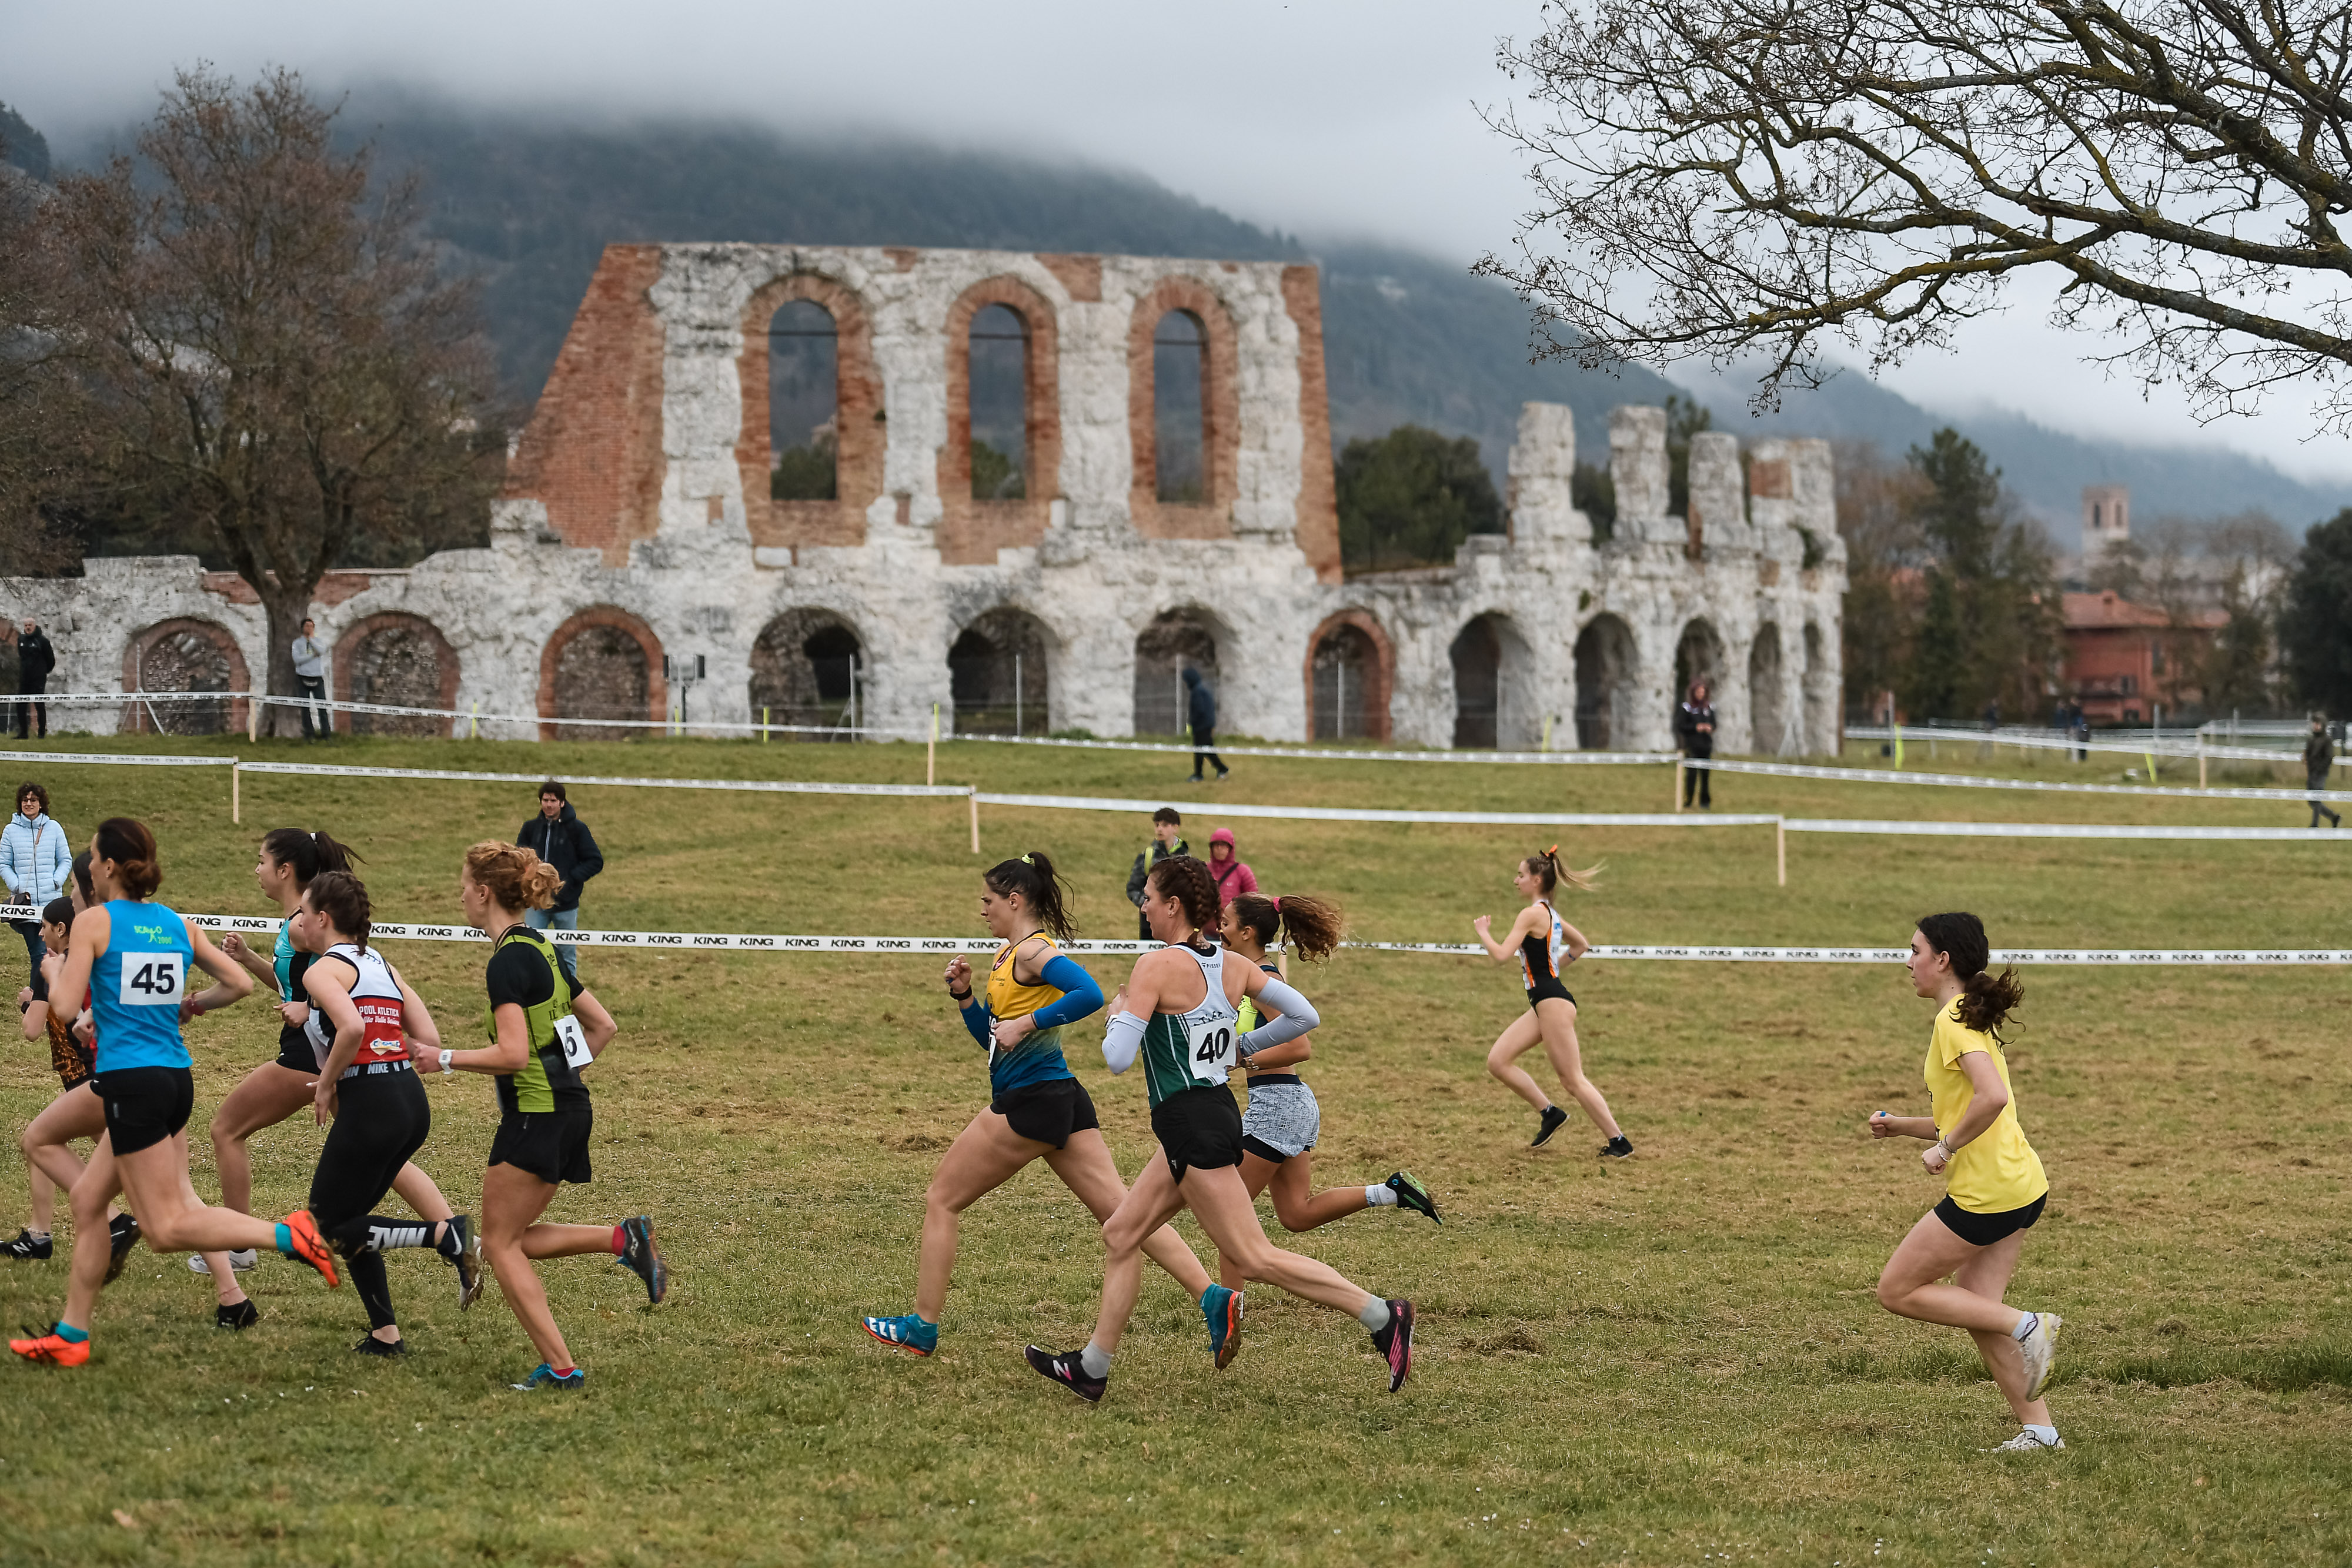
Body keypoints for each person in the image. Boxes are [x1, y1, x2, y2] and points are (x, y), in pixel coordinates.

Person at [1025, 854, 1416, 1403]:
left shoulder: (1155, 967)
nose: (1144, 907)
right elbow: (1305, 1016)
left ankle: (1382, 1315)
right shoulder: (1232, 964)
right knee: (1121, 1233)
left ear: (1174, 906)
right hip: (1211, 1115)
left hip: (1192, 1125)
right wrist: (1241, 1047)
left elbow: (1117, 1058)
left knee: (1253, 1257)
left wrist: (1118, 1012)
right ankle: (1092, 1366)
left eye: (1149, 898)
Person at [861, 851, 1227, 1360]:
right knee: (1123, 1212)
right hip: (1061, 1099)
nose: (983, 909)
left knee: (942, 1198)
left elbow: (1089, 992)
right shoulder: (1008, 955)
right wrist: (966, 998)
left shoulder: (1034, 952)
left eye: (989, 900)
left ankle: (922, 1326)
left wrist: (1028, 1022)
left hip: (1031, 1102)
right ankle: (1214, 1296)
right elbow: (997, 1040)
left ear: (1014, 900)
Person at [9, 818, 342, 1366]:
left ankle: (287, 1234)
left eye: (93, 857)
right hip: (175, 1080)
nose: (90, 868)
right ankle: (71, 1334)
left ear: (109, 867)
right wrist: (189, 1006)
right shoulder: (176, 923)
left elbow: (65, 1008)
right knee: (89, 1200)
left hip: (132, 1083)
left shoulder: (94, 922)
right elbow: (238, 982)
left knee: (165, 1228)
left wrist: (54, 967)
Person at [413, 841, 663, 1391]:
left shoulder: (507, 960)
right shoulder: (542, 947)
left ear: (484, 893)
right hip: (570, 1108)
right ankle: (624, 1239)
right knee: (507, 1239)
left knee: (500, 1245)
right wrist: (562, 1076)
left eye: (463, 887)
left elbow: (513, 1054)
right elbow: (603, 1026)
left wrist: (442, 1058)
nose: (460, 896)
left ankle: (562, 1367)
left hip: (536, 1114)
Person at [198, 828, 464, 1327]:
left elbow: (339, 991)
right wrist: (256, 963)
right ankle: (440, 1250)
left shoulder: (308, 935)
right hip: (371, 1075)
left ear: (287, 873)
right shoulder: (311, 929)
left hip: (324, 1062)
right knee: (375, 1173)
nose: (256, 870)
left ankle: (240, 1243)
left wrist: (314, 1017)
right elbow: (300, 984)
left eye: (261, 860)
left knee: (231, 1132)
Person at [1868, 912, 2064, 1453]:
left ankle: (2031, 1325)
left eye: (1915, 951)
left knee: (1896, 1289)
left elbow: (1992, 1098)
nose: (1908, 962)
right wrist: (1902, 1127)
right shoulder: (1966, 1014)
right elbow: (1966, 1110)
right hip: (2021, 1184)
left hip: (1989, 1194)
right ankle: (2041, 1432)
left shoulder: (1953, 1021)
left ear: (1943, 959)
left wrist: (1945, 1148)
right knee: (1979, 1307)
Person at [1212, 890, 1438, 1293]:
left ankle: (1229, 1309)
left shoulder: (1265, 981)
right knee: (1296, 1214)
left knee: (1229, 1216)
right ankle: (1390, 1192)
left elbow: (1300, 1046)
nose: (1219, 929)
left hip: (1278, 1108)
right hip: (1290, 1103)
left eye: (1226, 923)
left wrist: (1242, 1059)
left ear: (1247, 932)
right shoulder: (1250, 978)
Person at [295, 870, 479, 1355]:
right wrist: (383, 1047)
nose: (298, 922)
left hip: (371, 1103)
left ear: (323, 918)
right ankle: (385, 1335)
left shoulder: (320, 970)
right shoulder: (379, 962)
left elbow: (352, 1027)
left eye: (303, 913)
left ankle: (446, 1234)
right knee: (352, 1219)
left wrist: (327, 1083)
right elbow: (428, 1038)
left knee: (327, 1226)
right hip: (409, 1100)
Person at [5, 858, 141, 1274]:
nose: (40, 933)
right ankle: (43, 1233)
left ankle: (116, 1222)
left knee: (45, 1143)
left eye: (45, 926)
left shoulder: (56, 964)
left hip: (91, 1077)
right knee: (44, 1143)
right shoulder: (95, 954)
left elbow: (33, 1029)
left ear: (61, 929)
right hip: (103, 1072)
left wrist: (30, 1000)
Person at [1473, 846, 1633, 1156]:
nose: (1516, 880)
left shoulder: (1532, 914)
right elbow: (1581, 945)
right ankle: (1550, 1113)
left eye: (1521, 875)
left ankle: (1619, 1142)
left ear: (1536, 881)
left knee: (1572, 1080)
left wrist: (1484, 933)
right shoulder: (1550, 914)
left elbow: (1502, 955)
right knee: (1498, 1061)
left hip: (1552, 1002)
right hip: (1546, 1001)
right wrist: (1551, 971)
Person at [516, 781, 602, 987]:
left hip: (566, 904)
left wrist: (570, 880)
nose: (549, 804)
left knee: (566, 954)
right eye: (545, 800)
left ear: (562, 803)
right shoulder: (530, 828)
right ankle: (533, 991)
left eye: (553, 800)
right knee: (530, 949)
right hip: (536, 903)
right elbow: (519, 858)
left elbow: (595, 861)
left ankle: (571, 995)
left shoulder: (577, 829)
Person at [4, 781, 69, 999]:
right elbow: (4, 864)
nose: (29, 804)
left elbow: (65, 859)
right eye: (25, 800)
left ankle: (52, 997)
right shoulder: (10, 831)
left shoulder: (54, 828)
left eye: (33, 800)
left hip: (51, 904)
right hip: (26, 906)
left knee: (53, 953)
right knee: (39, 954)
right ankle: (36, 1000)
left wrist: (56, 881)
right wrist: (17, 886)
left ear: (41, 803)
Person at [1125, 807, 1187, 942]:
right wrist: (1148, 905)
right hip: (1150, 925)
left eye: (1165, 825)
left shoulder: (1186, 856)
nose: (1159, 829)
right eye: (1157, 825)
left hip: (1178, 924)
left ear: (1175, 828)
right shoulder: (1148, 855)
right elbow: (1133, 888)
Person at [1184, 667, 1228, 782]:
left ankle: (1206, 773)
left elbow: (1200, 710)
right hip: (1206, 725)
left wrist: (1193, 722)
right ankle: (1216, 770)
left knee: (1202, 750)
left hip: (1202, 727)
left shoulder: (1197, 692)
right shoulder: (1202, 690)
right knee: (1206, 750)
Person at [1677, 681, 1716, 808]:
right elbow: (1681, 726)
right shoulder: (1687, 708)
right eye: (1698, 692)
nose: (1701, 694)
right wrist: (1695, 728)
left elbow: (1714, 724)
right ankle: (1688, 801)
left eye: (1703, 692)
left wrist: (1710, 727)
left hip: (1706, 746)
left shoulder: (1709, 708)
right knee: (1691, 775)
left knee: (1705, 776)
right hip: (1692, 746)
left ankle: (1705, 802)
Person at [291, 617, 330, 740]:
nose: (309, 628)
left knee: (322, 706)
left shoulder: (319, 641)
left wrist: (311, 640)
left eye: (311, 626)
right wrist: (312, 656)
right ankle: (309, 734)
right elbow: (297, 660)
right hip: (302, 677)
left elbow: (321, 651)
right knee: (305, 707)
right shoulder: (297, 643)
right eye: (307, 626)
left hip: (317, 677)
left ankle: (326, 734)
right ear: (302, 628)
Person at [14, 620, 53, 741]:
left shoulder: (42, 641)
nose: (28, 628)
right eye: (26, 626)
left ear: (34, 626)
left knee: (39, 705)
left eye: (30, 625)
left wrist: (42, 672)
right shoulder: (21, 639)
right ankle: (23, 733)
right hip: (25, 678)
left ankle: (41, 733)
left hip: (38, 679)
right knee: (20, 704)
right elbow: (21, 656)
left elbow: (51, 660)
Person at [1205, 827, 1257, 906]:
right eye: (1216, 845)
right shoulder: (1204, 870)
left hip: (1233, 913)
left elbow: (1253, 900)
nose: (1219, 849)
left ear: (1230, 848)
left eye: (1223, 845)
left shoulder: (1243, 872)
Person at [2304, 714, 2339, 830]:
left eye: (2318, 723)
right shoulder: (2311, 739)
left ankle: (2315, 824)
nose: (2316, 725)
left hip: (2321, 774)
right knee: (2311, 801)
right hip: (2311, 773)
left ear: (2323, 725)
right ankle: (2333, 817)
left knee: (2316, 798)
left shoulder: (2327, 740)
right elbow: (2308, 755)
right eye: (2314, 723)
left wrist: (2320, 768)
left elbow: (2329, 757)